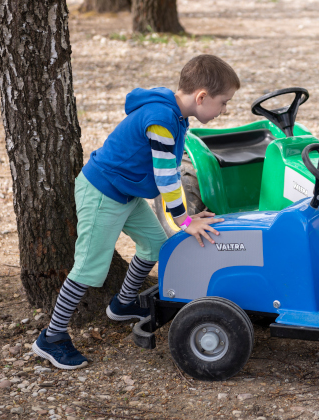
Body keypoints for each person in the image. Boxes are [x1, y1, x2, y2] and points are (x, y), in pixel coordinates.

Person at [32, 55, 240, 369]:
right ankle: (51, 336)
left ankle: (123, 303)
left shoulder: (175, 114)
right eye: (224, 102)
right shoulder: (162, 119)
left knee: (156, 245)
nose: (224, 109)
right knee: (89, 266)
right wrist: (184, 220)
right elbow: (166, 176)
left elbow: (168, 172)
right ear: (202, 97)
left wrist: (185, 216)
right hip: (103, 193)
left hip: (125, 193)